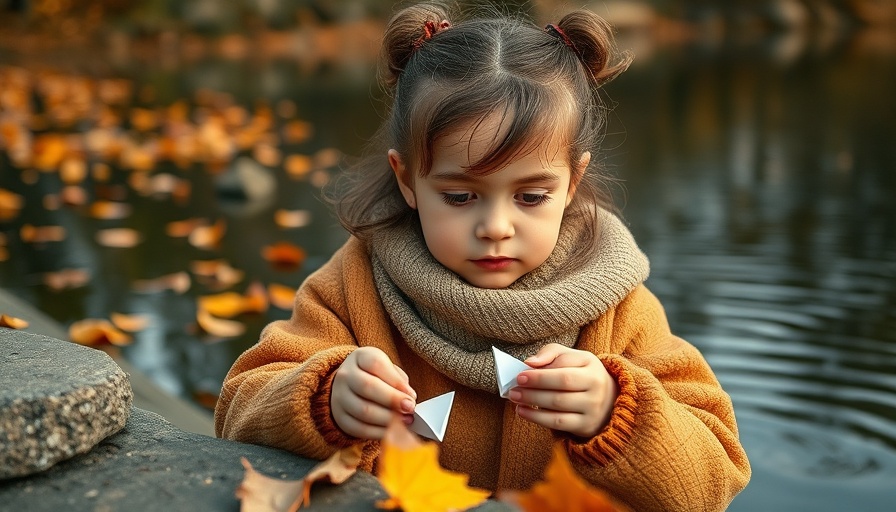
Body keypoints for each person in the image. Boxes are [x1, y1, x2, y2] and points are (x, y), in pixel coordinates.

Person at [214, 2, 751, 510]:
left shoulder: (618, 307)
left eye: (531, 197)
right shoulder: (353, 287)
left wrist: (619, 414)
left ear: (572, 183)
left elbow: (716, 479)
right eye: (460, 197)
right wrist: (323, 400)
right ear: (407, 180)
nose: (495, 227)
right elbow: (238, 408)